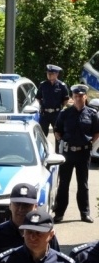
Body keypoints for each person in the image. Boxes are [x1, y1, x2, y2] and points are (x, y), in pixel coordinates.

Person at [53, 84, 99, 223]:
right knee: (63, 184)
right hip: (67, 153)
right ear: (72, 97)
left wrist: (91, 143)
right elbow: (57, 130)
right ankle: (59, 213)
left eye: (81, 96)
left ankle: (84, 214)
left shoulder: (92, 114)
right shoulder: (65, 113)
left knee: (83, 185)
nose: (78, 98)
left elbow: (96, 132)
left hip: (83, 153)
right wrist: (61, 141)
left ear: (85, 97)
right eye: (76, 96)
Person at [35, 64, 69, 138]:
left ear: (57, 74)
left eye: (51, 74)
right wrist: (42, 105)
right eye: (48, 73)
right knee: (42, 136)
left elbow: (66, 99)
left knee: (58, 135)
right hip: (45, 113)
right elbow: (38, 97)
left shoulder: (61, 86)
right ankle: (43, 149)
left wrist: (60, 108)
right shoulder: (43, 85)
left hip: (56, 114)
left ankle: (57, 150)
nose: (49, 75)